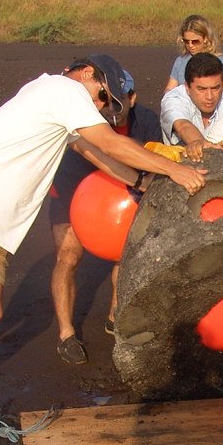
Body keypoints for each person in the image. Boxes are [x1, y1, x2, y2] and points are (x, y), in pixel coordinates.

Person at [0, 54, 206, 441]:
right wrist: (173, 168)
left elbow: (93, 152)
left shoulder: (58, 100)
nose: (103, 107)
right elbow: (105, 141)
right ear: (88, 74)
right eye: (104, 97)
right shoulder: (62, 88)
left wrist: (141, 182)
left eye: (108, 104)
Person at [50, 63, 163, 364]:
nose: (111, 106)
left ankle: (114, 315)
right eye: (106, 98)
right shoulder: (86, 118)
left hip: (123, 194)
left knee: (124, 255)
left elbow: (154, 156)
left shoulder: (146, 120)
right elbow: (79, 160)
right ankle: (66, 333)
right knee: (67, 258)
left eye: (119, 99)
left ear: (132, 98)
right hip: (73, 191)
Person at [158, 52, 223, 160]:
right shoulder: (173, 99)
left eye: (215, 88)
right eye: (201, 89)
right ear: (187, 87)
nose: (209, 96)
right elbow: (182, 125)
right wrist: (198, 142)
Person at [164, 14, 223, 99]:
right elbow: (170, 88)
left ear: (205, 38)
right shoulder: (180, 60)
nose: (190, 45)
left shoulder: (221, 62)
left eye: (195, 41)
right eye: (186, 41)